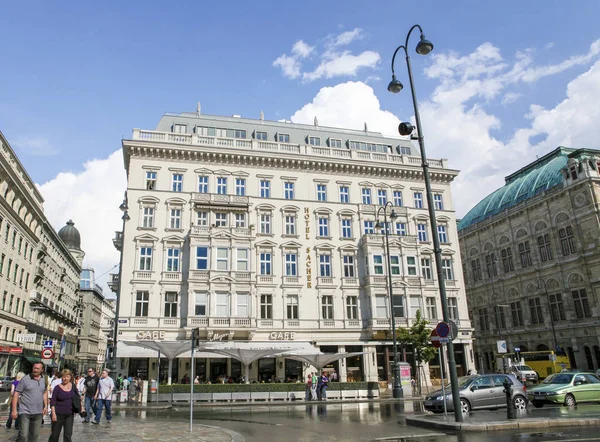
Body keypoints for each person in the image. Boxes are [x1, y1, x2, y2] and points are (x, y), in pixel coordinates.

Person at [12, 362, 48, 442]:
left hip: (38, 412)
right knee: (23, 435)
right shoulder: (25, 379)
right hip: (25, 411)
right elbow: (16, 393)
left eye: (38, 368)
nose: (35, 370)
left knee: (34, 436)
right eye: (34, 368)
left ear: (42, 370)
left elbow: (45, 392)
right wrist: (14, 410)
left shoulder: (44, 379)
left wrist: (46, 405)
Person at [48, 369, 78, 442]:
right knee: (55, 434)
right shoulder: (57, 388)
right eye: (64, 377)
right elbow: (53, 402)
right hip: (58, 414)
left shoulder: (73, 386)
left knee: (68, 435)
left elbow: (77, 398)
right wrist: (53, 414)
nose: (65, 378)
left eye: (67, 376)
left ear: (70, 377)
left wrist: (81, 408)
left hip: (69, 414)